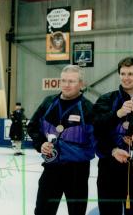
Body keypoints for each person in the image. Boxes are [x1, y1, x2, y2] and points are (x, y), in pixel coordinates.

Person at [27, 65, 95, 215]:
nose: (66, 84)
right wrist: (41, 144)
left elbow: (97, 140)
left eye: (71, 81)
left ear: (81, 84)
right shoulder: (48, 102)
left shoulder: (88, 108)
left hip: (77, 172)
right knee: (42, 211)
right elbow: (32, 127)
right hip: (51, 168)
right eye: (63, 80)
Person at [93, 56, 133, 215]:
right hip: (110, 165)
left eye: (130, 74)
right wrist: (118, 113)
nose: (126, 78)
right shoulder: (106, 100)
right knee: (108, 211)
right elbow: (97, 129)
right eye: (123, 74)